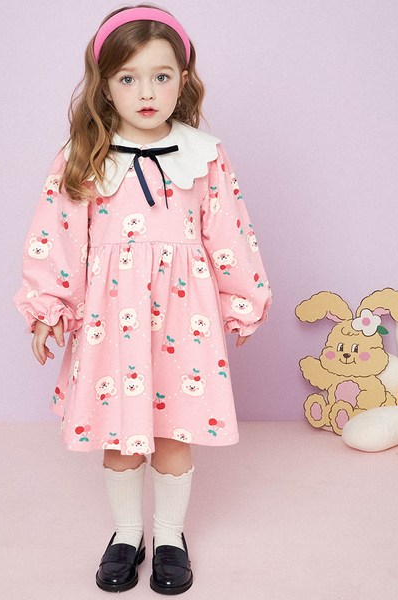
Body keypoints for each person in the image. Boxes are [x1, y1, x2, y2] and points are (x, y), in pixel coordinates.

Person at [14, 4, 272, 594]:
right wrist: (49, 306)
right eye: (128, 78)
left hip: (185, 318)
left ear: (183, 80)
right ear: (105, 85)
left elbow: (230, 232)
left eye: (161, 75)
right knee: (120, 435)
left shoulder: (205, 155)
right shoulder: (83, 156)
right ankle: (127, 534)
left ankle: (170, 536)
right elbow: (56, 235)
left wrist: (242, 300)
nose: (146, 92)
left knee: (174, 432)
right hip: (113, 319)